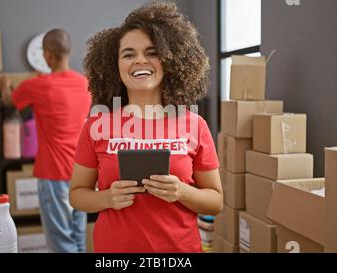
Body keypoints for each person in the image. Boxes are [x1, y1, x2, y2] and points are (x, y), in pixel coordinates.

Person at [70, 2, 223, 253]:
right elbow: (77, 195)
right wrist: (106, 198)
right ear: (115, 65)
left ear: (169, 60)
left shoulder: (195, 125)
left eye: (152, 52)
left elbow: (215, 202)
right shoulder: (96, 126)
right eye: (128, 54)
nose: (140, 60)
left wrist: (182, 192)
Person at [0, 29, 92, 253]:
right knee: (79, 240)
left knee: (61, 243)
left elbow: (9, 101)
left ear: (48, 55)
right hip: (82, 173)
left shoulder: (38, 85)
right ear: (68, 52)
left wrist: (3, 84)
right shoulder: (85, 84)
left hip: (53, 173)